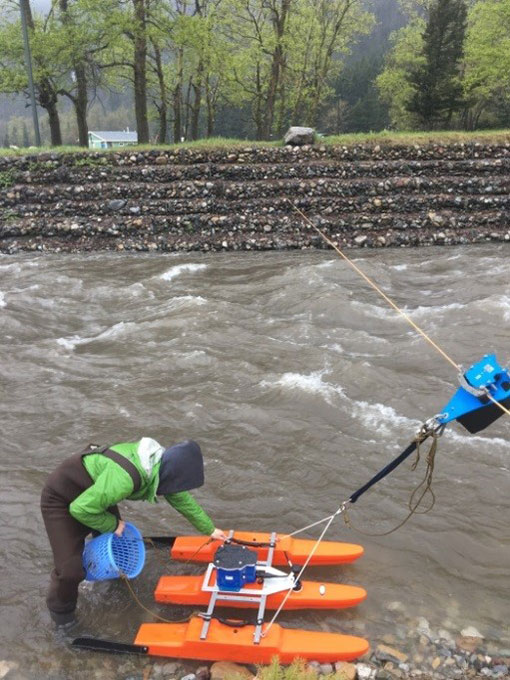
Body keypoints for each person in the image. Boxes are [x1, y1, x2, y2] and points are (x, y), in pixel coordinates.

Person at [40, 437, 226, 626]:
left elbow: (182, 501)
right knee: (70, 572)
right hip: (62, 499)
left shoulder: (159, 467)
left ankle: (111, 586)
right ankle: (63, 622)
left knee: (120, 549)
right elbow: (80, 509)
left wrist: (209, 529)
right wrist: (112, 524)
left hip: (96, 495)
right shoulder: (125, 480)